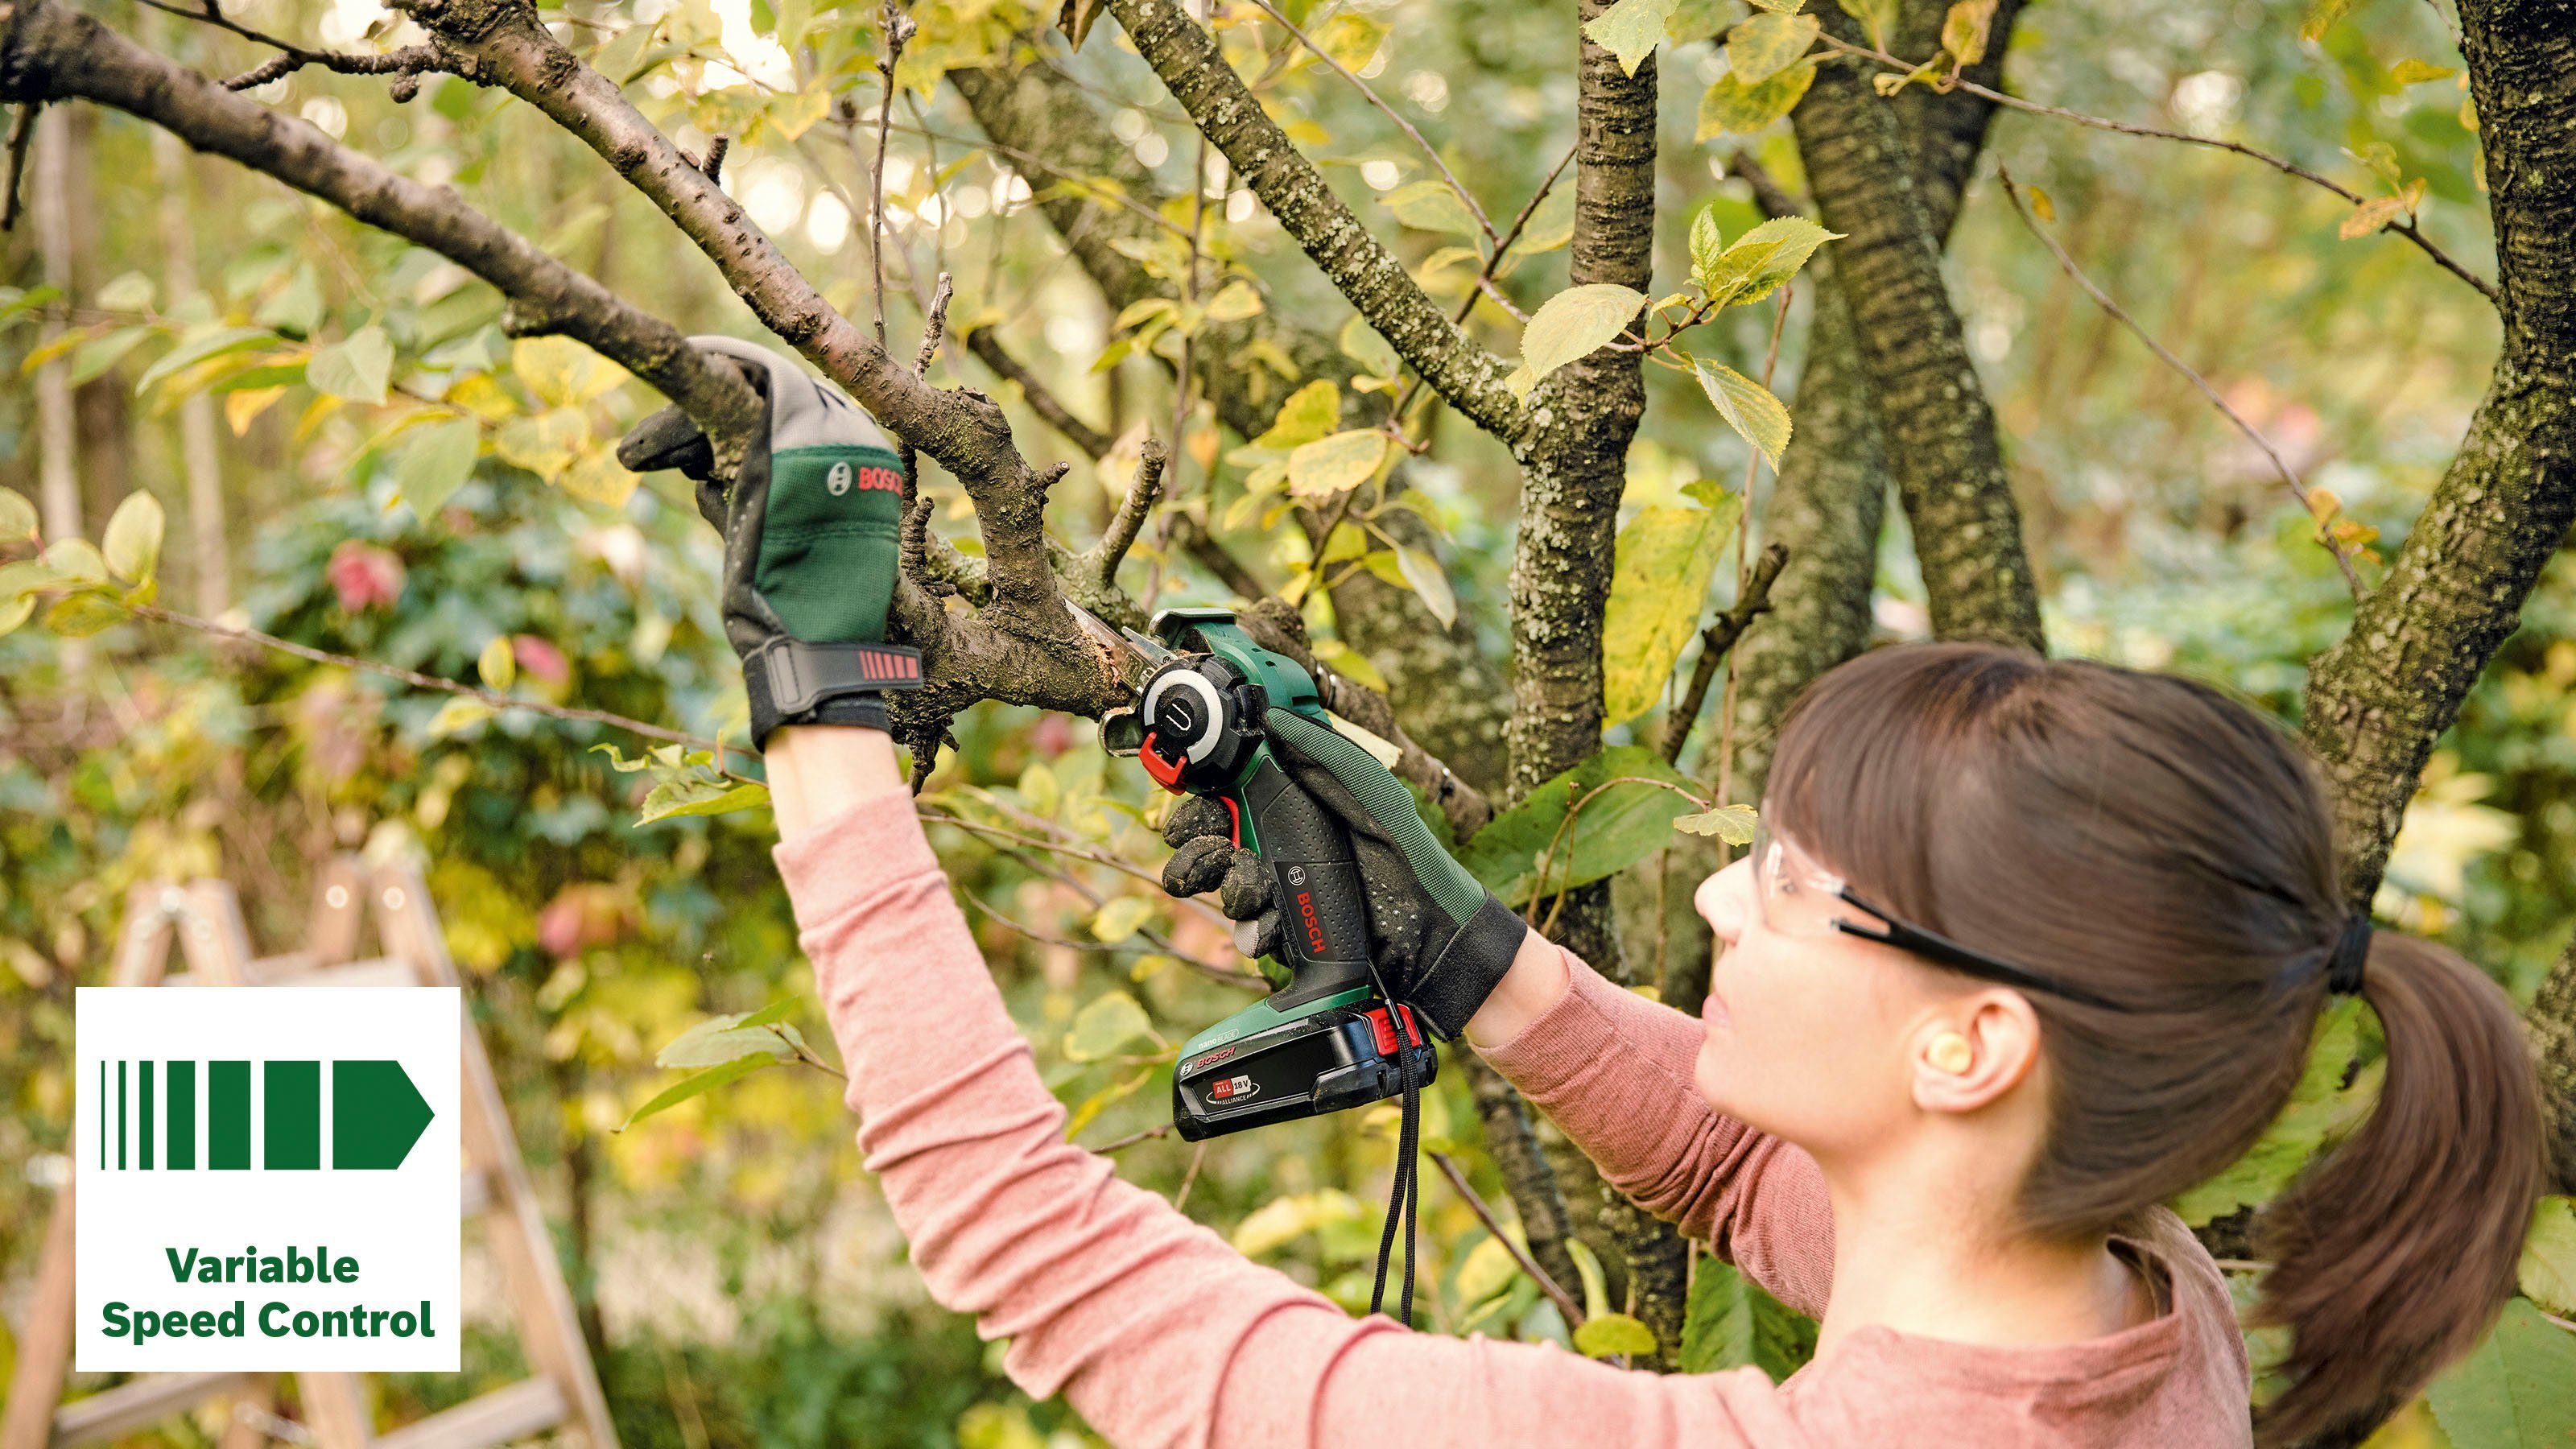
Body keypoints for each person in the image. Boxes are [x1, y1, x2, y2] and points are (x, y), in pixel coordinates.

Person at [624, 341, 2545, 1448]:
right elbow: (1743, 1180)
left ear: (1973, 1041)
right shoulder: (2133, 1295)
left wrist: (825, 715)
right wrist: (1466, 952)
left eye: (1796, 889)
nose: (1718, 907)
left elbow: (1041, 1260)